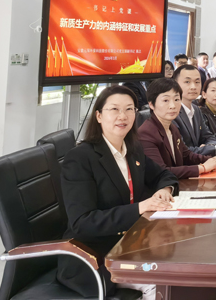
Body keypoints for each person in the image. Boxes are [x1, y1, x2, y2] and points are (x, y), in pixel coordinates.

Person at [57, 86, 178, 299]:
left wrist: (164, 190)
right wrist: (140, 207)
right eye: (114, 109)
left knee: (179, 269)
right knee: (163, 283)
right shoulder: (80, 158)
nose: (123, 116)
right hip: (95, 255)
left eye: (129, 109)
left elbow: (163, 175)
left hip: (132, 245)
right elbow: (83, 222)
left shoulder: (132, 149)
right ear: (99, 116)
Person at [139, 78, 216, 179]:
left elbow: (186, 155)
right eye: (165, 100)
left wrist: (209, 160)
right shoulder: (146, 133)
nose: (173, 106)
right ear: (151, 104)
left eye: (176, 100)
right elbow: (161, 172)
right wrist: (202, 168)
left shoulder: (172, 128)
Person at [172, 65, 216, 156]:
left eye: (197, 82)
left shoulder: (196, 110)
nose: (193, 87)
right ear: (175, 84)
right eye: (187, 82)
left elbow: (209, 136)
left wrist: (209, 146)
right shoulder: (172, 112)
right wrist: (214, 150)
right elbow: (181, 150)